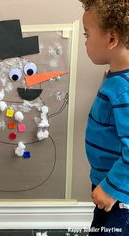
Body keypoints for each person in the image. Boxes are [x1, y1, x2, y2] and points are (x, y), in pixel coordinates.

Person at [79, 0, 129, 234]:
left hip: (118, 192)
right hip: (108, 180)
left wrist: (111, 188)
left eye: (87, 34)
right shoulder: (117, 81)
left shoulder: (124, 90)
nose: (86, 41)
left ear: (111, 40)